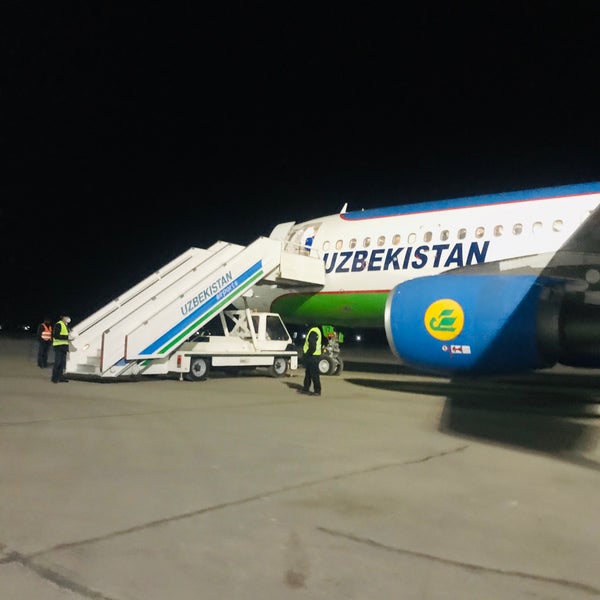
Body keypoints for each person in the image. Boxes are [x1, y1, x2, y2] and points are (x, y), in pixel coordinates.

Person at [299, 324, 322, 396]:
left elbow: (312, 346)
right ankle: (306, 388)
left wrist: (306, 355)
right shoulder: (317, 330)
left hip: (312, 356)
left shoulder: (313, 332)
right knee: (308, 373)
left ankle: (317, 390)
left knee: (314, 374)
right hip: (315, 355)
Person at [51, 314, 72, 383]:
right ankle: (54, 378)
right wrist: (67, 337)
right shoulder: (59, 324)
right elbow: (56, 336)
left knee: (62, 363)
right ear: (63, 318)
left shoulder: (66, 325)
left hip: (64, 346)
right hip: (58, 346)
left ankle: (60, 377)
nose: (68, 318)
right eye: (66, 317)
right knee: (58, 363)